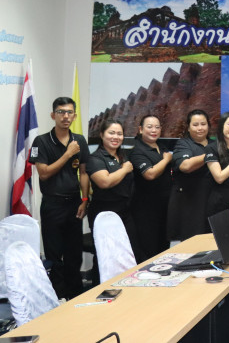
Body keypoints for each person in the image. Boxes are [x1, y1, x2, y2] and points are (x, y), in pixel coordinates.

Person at [30, 97, 90, 299]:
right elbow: (44, 173)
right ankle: (56, 297)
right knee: (54, 255)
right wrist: (67, 154)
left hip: (74, 203)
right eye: (61, 112)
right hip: (52, 205)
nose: (65, 116)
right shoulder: (42, 141)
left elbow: (84, 172)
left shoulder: (79, 140)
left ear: (74, 116)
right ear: (53, 115)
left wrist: (84, 200)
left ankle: (75, 295)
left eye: (69, 112)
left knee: (74, 253)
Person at [86, 118, 139, 260]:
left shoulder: (122, 156)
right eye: (111, 133)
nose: (116, 137)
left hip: (125, 212)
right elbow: (105, 182)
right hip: (104, 214)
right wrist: (124, 169)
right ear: (102, 135)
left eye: (119, 134)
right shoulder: (95, 158)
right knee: (107, 258)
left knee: (130, 254)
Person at [128, 114, 173, 261]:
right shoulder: (137, 151)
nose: (154, 130)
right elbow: (150, 174)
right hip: (145, 211)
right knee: (148, 251)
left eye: (157, 127)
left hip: (164, 208)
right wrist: (166, 160)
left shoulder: (162, 147)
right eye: (149, 127)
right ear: (140, 129)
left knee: (163, 250)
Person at [167, 109, 213, 241]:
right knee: (191, 245)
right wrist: (210, 155)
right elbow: (185, 166)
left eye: (203, 124)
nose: (200, 128)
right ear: (188, 127)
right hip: (189, 204)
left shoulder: (214, 144)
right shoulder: (183, 144)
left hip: (211, 204)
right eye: (195, 124)